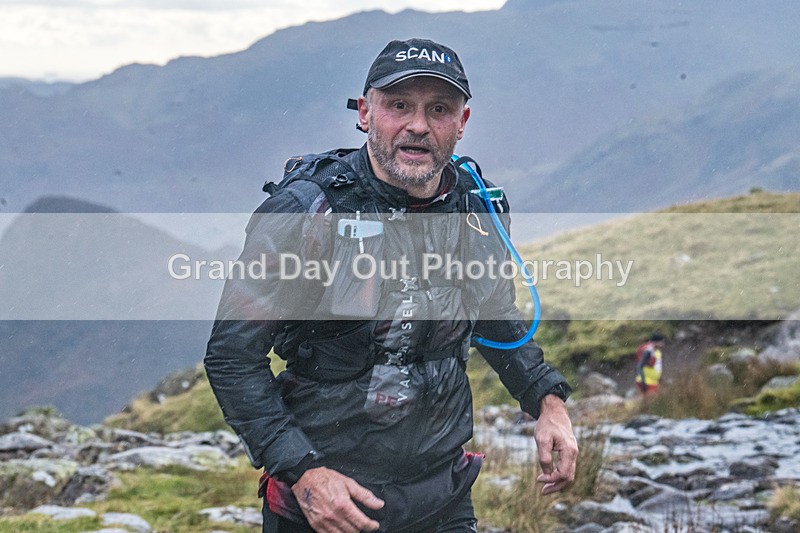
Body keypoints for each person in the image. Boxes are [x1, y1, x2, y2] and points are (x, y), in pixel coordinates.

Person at [204, 37, 578, 533]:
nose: (418, 125)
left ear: (462, 122)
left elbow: (494, 316)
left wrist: (548, 404)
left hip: (440, 499)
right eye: (398, 105)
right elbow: (232, 356)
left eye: (439, 109)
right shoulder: (307, 212)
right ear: (364, 112)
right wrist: (302, 471)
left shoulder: (476, 209)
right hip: (325, 505)